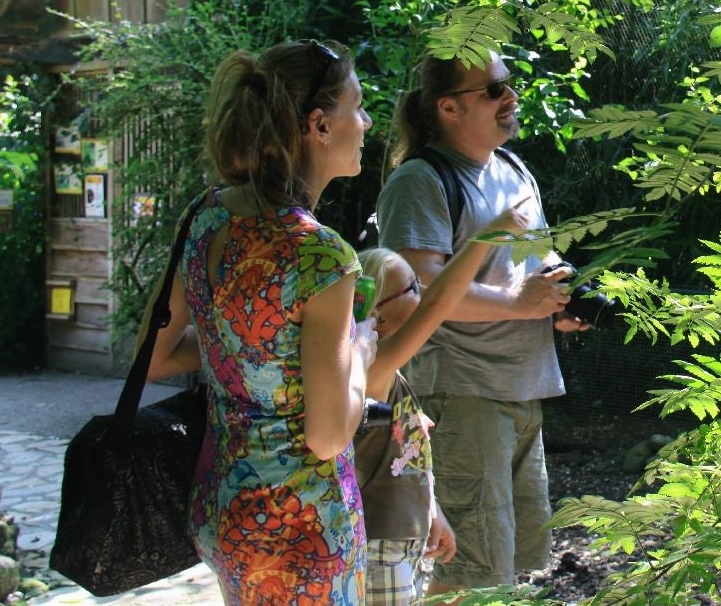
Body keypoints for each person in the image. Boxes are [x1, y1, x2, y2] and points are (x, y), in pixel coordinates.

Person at [147, 39, 373, 605]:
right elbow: (326, 435)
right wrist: (361, 356)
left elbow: (151, 355)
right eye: (358, 106)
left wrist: (250, 352)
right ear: (319, 125)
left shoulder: (206, 215)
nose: (367, 122)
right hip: (304, 536)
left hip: (224, 513)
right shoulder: (321, 257)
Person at [375, 50, 585, 597]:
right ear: (448, 106)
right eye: (493, 90)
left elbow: (527, 272)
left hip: (521, 391)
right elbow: (415, 295)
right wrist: (517, 303)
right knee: (468, 578)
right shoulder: (420, 181)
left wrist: (555, 305)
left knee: (508, 568)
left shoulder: (514, 170)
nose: (511, 98)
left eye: (508, 85)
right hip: (461, 399)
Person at [353, 201, 526, 605]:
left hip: (403, 539)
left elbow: (408, 459)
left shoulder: (393, 377)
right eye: (413, 287)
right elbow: (439, 304)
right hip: (379, 544)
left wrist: (433, 512)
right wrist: (488, 236)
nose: (424, 294)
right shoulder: (373, 371)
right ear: (376, 314)